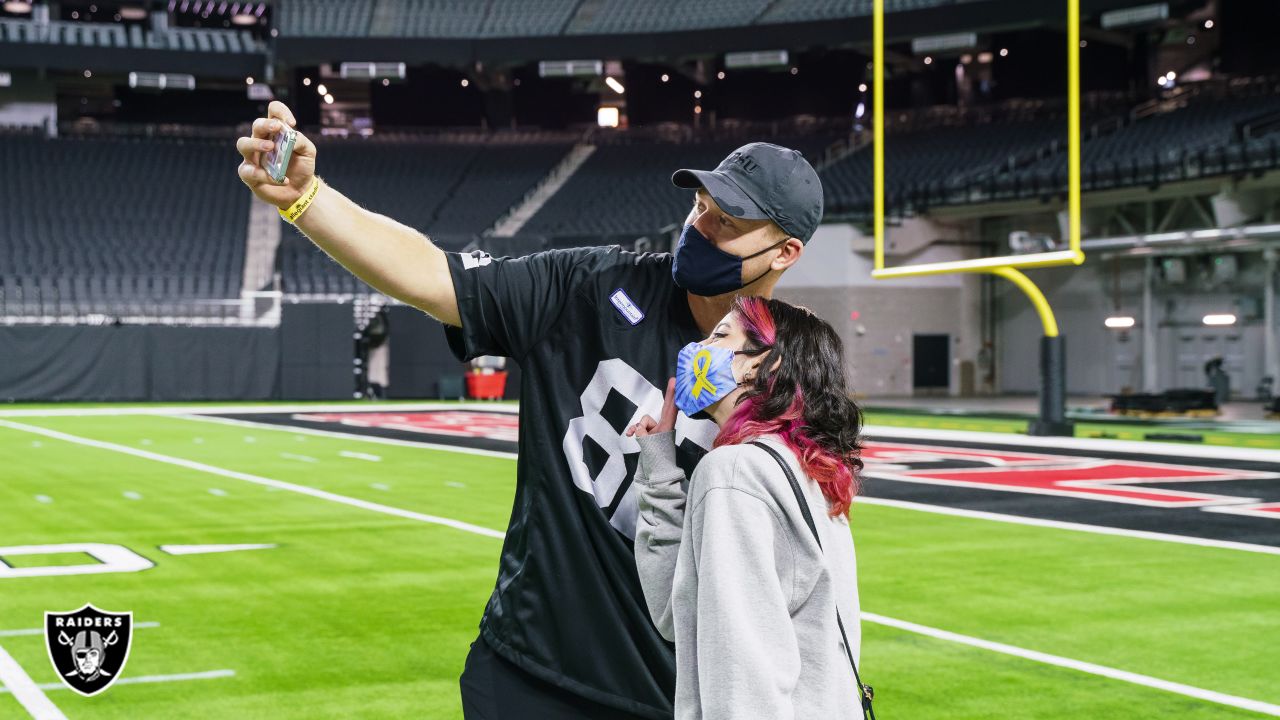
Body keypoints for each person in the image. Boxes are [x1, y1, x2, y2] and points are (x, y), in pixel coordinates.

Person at [235, 101, 824, 719]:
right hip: (529, 671)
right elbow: (434, 276)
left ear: (783, 253)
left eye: (726, 222)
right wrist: (307, 198)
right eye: (699, 207)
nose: (700, 228)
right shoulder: (590, 286)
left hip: (676, 694)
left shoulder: (795, 378)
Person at [626, 296, 867, 719]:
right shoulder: (806, 465)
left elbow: (742, 670)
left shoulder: (735, 471)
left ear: (760, 365)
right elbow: (679, 615)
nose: (697, 348)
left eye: (720, 335)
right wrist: (661, 466)